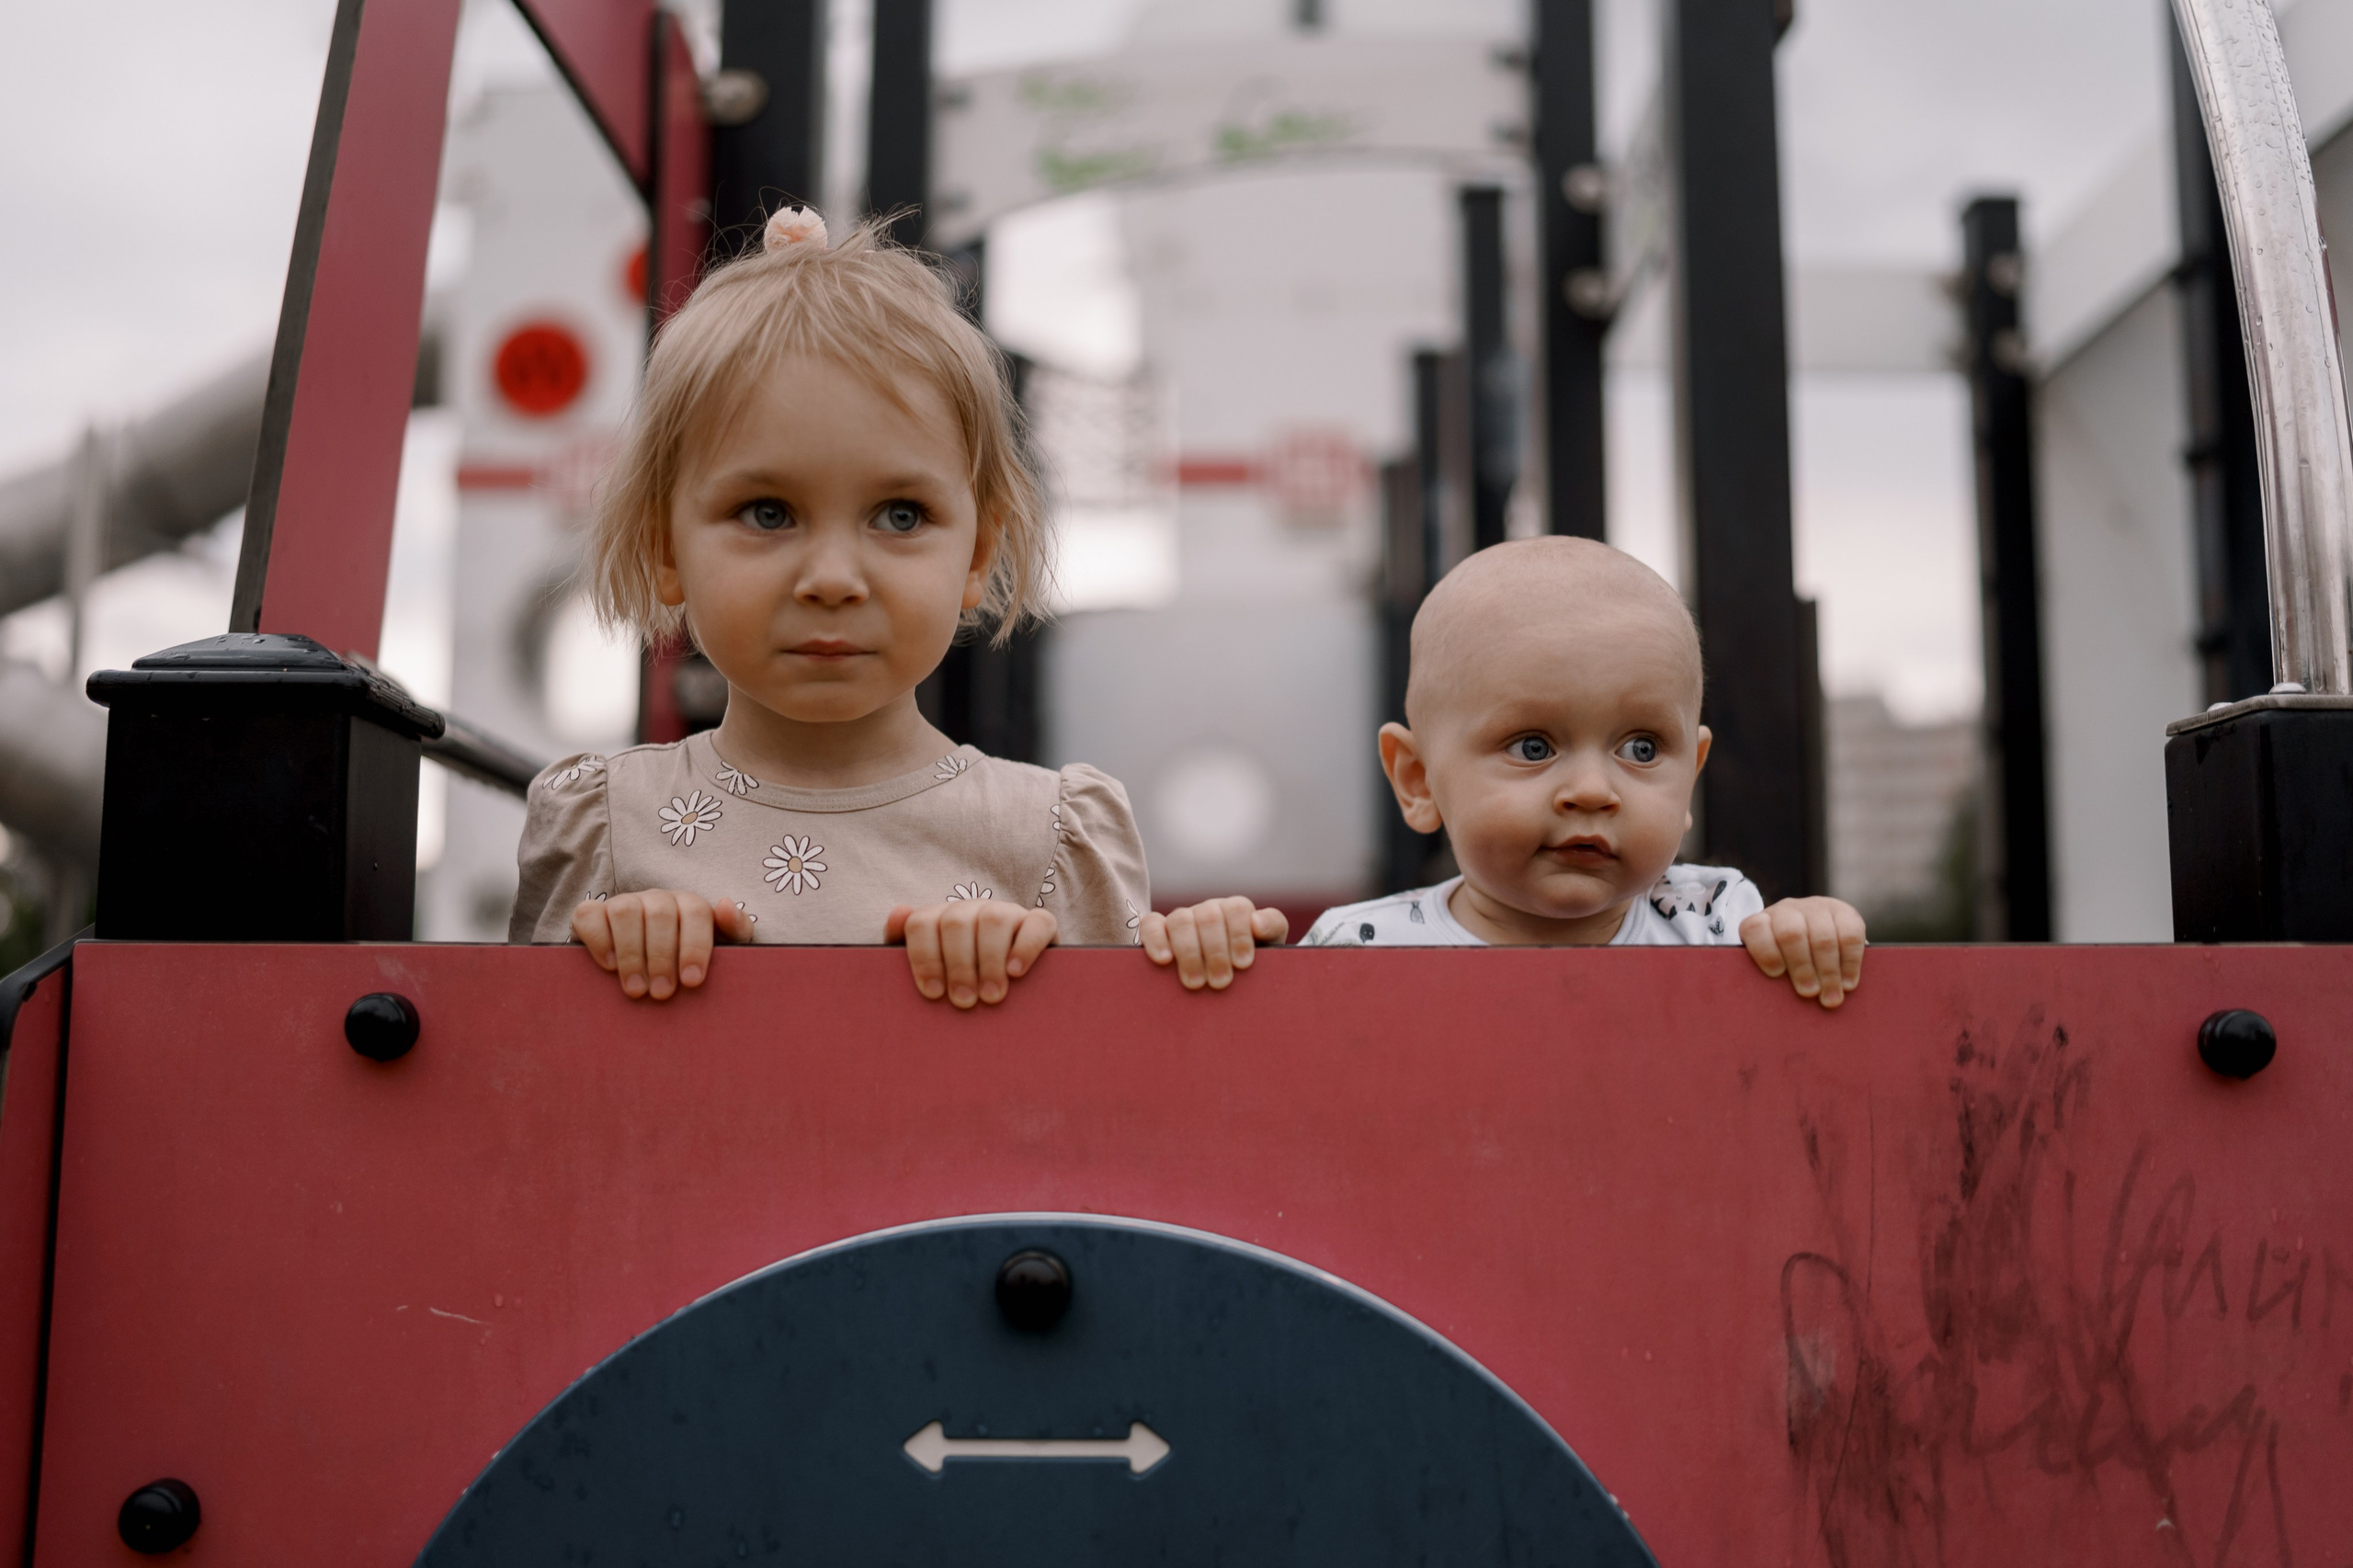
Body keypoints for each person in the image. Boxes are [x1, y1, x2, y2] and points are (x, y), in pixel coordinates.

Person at [510, 208, 1281, 1005]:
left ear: (977, 557)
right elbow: (513, 1091)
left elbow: (1119, 1098)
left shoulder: (1050, 835)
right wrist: (607, 972)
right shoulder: (604, 825)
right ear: (666, 549)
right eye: (769, 513)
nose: (834, 577)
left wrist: (1175, 970)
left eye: (900, 516)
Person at [1300, 537, 1868, 1008]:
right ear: (1418, 781)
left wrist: (1812, 937)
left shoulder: (1718, 926)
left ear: (1690, 775)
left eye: (1641, 749)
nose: (1593, 791)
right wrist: (1217, 958)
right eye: (1532, 746)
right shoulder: (1360, 950)